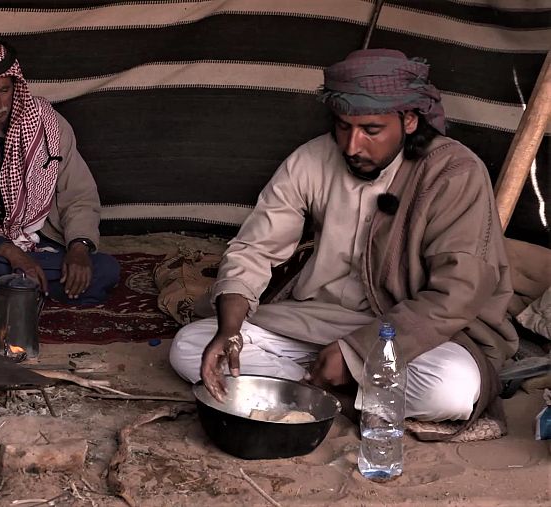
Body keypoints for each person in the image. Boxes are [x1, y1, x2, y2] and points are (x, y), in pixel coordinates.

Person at [170, 49, 517, 432]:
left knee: (450, 390)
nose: (352, 147)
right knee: (190, 346)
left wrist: (357, 352)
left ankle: (309, 390)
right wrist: (230, 329)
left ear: (409, 120)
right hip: (314, 320)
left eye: (371, 130)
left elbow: (456, 295)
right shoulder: (310, 160)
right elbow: (255, 249)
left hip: (411, 332)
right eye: (342, 127)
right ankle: (335, 392)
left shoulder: (454, 173)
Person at [0, 42, 119, 305]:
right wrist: (13, 254)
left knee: (105, 268)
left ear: (16, 87)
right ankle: (31, 289)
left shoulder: (49, 126)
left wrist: (79, 247)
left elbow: (78, 195)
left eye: (4, 90)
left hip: (45, 245)